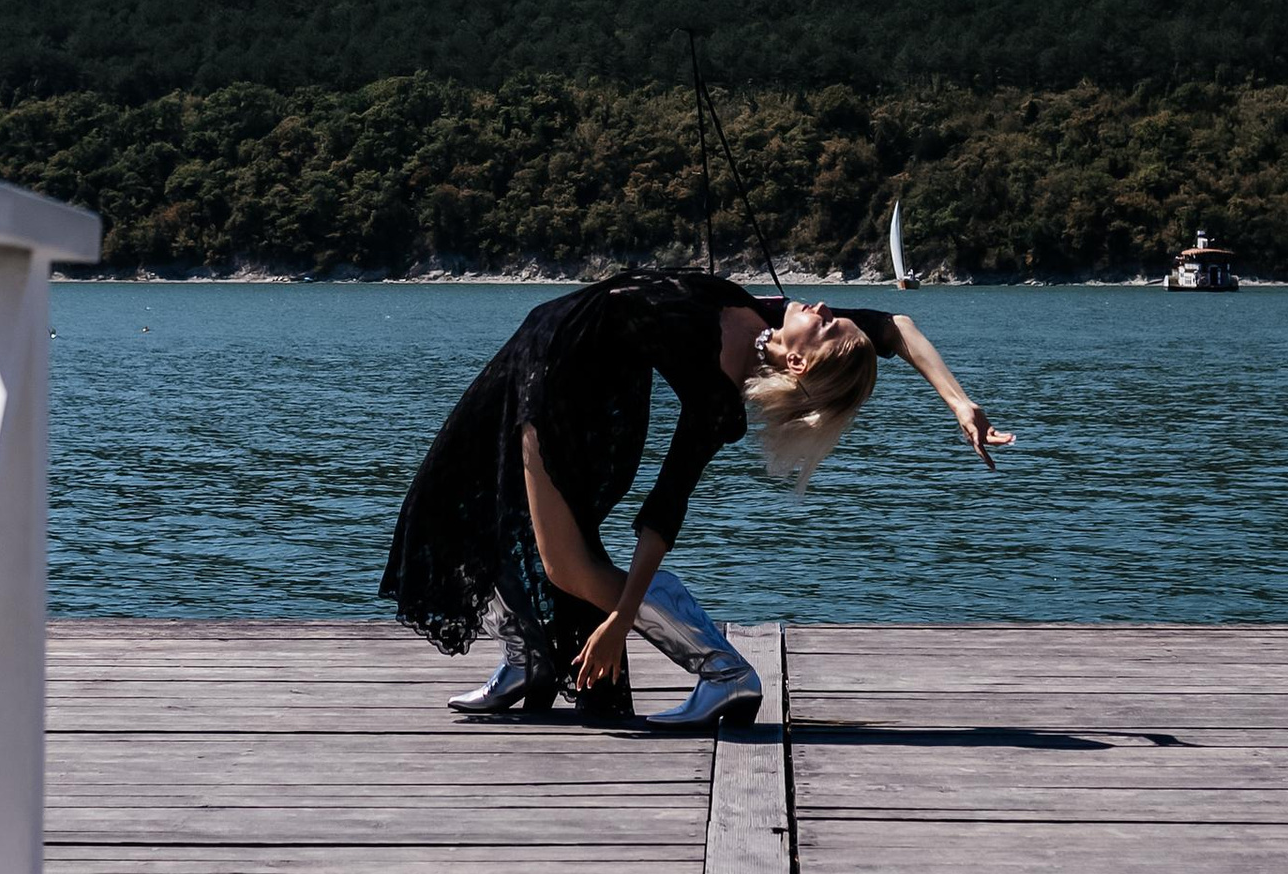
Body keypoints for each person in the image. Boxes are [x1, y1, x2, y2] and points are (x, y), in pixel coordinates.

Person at [381, 266, 1012, 725]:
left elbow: (661, 516)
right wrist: (961, 404)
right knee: (465, 493)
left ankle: (723, 671)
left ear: (798, 365)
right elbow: (898, 325)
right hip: (537, 348)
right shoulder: (769, 314)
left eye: (824, 322)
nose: (819, 304)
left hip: (565, 391)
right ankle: (530, 658)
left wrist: (621, 619)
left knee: (565, 565)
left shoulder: (715, 397)